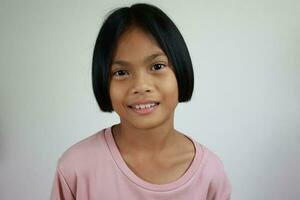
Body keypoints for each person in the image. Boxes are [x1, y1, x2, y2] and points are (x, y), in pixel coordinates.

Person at [50, 3, 231, 200]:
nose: (141, 86)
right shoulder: (75, 168)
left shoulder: (210, 174)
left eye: (157, 66)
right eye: (121, 72)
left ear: (180, 70)